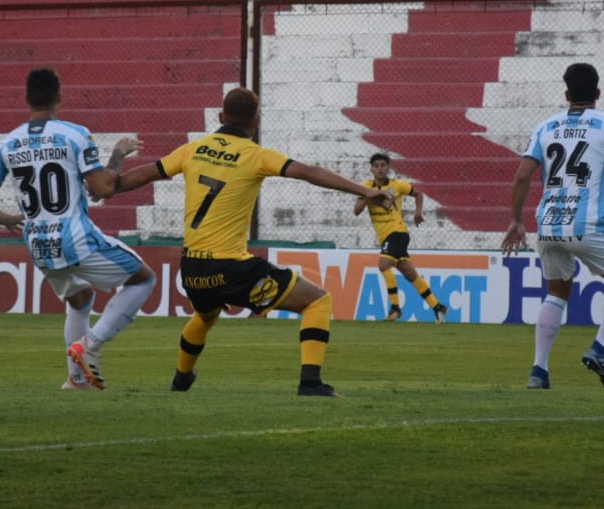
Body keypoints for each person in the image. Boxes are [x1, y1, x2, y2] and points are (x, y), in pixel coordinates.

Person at [114, 86, 395, 397]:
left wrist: (108, 181)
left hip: (192, 267)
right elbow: (308, 172)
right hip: (231, 266)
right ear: (256, 122)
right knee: (317, 300)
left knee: (205, 316)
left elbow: (139, 176)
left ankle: (181, 379)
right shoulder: (257, 156)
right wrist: (366, 191)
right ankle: (311, 383)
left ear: (220, 116)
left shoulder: (192, 149)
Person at [0, 67, 156, 391]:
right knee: (144, 278)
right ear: (60, 97)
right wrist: (118, 153)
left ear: (26, 98)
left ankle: (77, 378)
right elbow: (104, 188)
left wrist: (7, 219)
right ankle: (91, 345)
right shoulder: (75, 134)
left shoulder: (7, 144)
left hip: (39, 245)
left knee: (80, 298)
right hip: (76, 238)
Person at [501, 63, 604, 391]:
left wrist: (516, 220)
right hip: (587, 222)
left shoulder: (545, 127)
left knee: (556, 292)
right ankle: (600, 348)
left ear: (566, 94)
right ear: (598, 93)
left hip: (548, 224)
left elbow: (522, 176)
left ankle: (539, 370)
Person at [354, 152, 446, 323]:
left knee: (383, 264)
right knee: (410, 274)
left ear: (388, 167)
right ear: (371, 169)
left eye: (383, 165)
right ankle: (438, 306)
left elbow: (418, 193)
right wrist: (369, 195)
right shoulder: (366, 186)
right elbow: (356, 210)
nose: (380, 169)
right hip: (385, 237)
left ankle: (395, 308)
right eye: (376, 166)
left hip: (398, 233)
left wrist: (418, 212)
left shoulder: (398, 185)